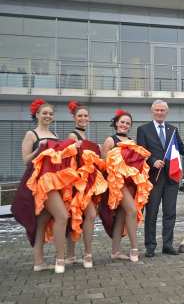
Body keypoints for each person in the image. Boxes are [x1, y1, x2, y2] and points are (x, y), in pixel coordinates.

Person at [136, 100, 184, 257]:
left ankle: (167, 245)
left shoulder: (172, 129)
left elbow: (181, 148)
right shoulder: (143, 130)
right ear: (152, 111)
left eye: (162, 110)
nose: (160, 112)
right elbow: (141, 152)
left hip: (171, 178)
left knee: (170, 213)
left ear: (166, 112)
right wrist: (153, 161)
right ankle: (150, 246)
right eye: (157, 110)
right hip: (154, 178)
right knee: (152, 213)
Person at [12, 99, 74, 273]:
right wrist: (38, 149)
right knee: (62, 216)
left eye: (50, 113)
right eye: (44, 113)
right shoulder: (31, 134)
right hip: (40, 182)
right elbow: (25, 160)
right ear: (37, 115)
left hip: (55, 181)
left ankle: (39, 262)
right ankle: (60, 259)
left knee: (42, 220)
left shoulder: (54, 134)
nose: (48, 116)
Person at [101, 109, 153, 262]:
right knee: (131, 211)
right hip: (117, 183)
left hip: (130, 183)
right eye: (122, 122)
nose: (124, 125)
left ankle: (115, 251)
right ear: (116, 123)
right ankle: (134, 248)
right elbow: (104, 164)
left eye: (127, 123)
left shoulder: (132, 142)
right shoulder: (110, 140)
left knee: (122, 216)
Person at [65, 101, 107, 268]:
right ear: (74, 118)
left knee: (88, 216)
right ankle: (71, 255)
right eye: (80, 116)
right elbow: (69, 158)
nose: (83, 118)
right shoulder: (72, 136)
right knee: (76, 216)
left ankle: (86, 253)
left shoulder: (85, 138)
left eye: (85, 116)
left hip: (87, 183)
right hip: (76, 183)